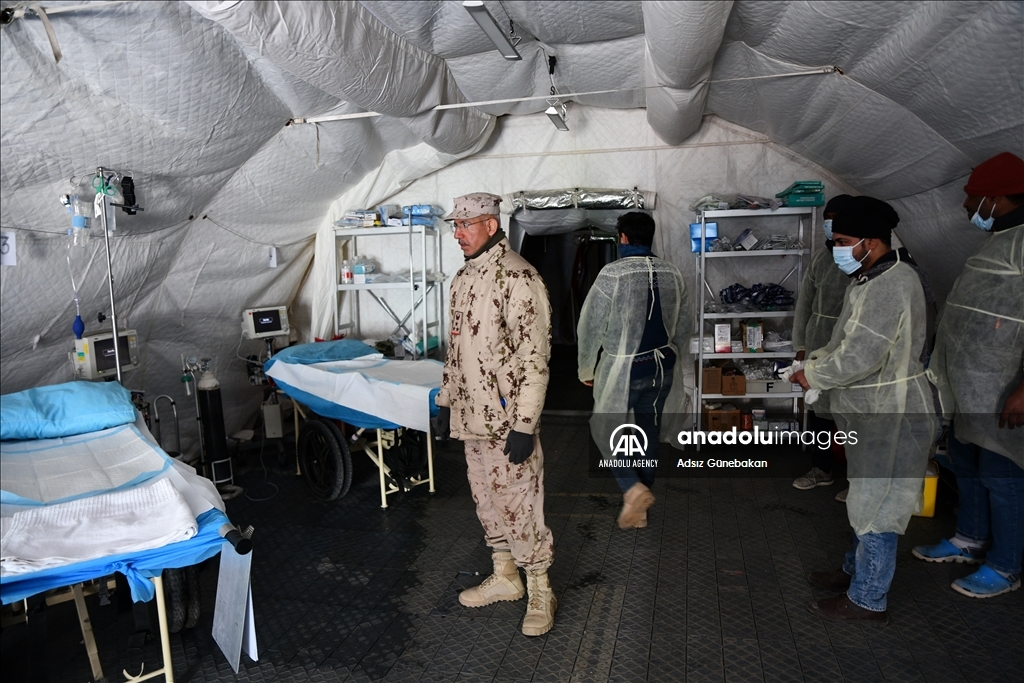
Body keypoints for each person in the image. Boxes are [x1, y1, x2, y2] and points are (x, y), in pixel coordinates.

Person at [790, 196, 937, 625]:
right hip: (872, 412)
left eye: (842, 241)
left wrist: (814, 376)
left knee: (877, 505)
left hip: (891, 415)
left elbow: (862, 354)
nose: (835, 248)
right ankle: (855, 572)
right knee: (865, 498)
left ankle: (868, 599)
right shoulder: (870, 280)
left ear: (870, 242)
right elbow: (843, 341)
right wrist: (813, 363)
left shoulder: (892, 285)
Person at [432, 192, 557, 636]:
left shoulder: (519, 277)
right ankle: (506, 576)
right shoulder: (463, 279)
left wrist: (524, 425)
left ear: (490, 225)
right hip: (471, 419)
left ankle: (540, 586)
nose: (457, 233)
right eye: (455, 226)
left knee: (520, 504)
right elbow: (455, 350)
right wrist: (445, 402)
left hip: (506, 423)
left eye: (465, 225)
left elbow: (534, 359)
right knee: (486, 501)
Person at [913, 151, 1024, 598]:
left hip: (1002, 391)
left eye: (972, 198)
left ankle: (1005, 566)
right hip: (967, 388)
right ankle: (969, 539)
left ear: (996, 198)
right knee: (969, 467)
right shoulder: (999, 239)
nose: (965, 208)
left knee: (1002, 476)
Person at [577, 212, 690, 529]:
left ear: (622, 237)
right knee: (648, 431)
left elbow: (591, 325)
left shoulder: (613, 274)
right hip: (662, 366)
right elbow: (684, 326)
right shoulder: (674, 274)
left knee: (606, 429)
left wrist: (586, 366)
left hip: (625, 368)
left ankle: (632, 488)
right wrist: (673, 357)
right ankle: (640, 508)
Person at [791, 194, 854, 497]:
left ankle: (858, 481)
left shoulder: (864, 263)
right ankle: (821, 469)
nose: (830, 225)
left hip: (849, 349)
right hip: (818, 343)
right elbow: (805, 305)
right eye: (827, 218)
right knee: (818, 412)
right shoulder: (821, 258)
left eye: (836, 218)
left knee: (848, 413)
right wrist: (802, 345)